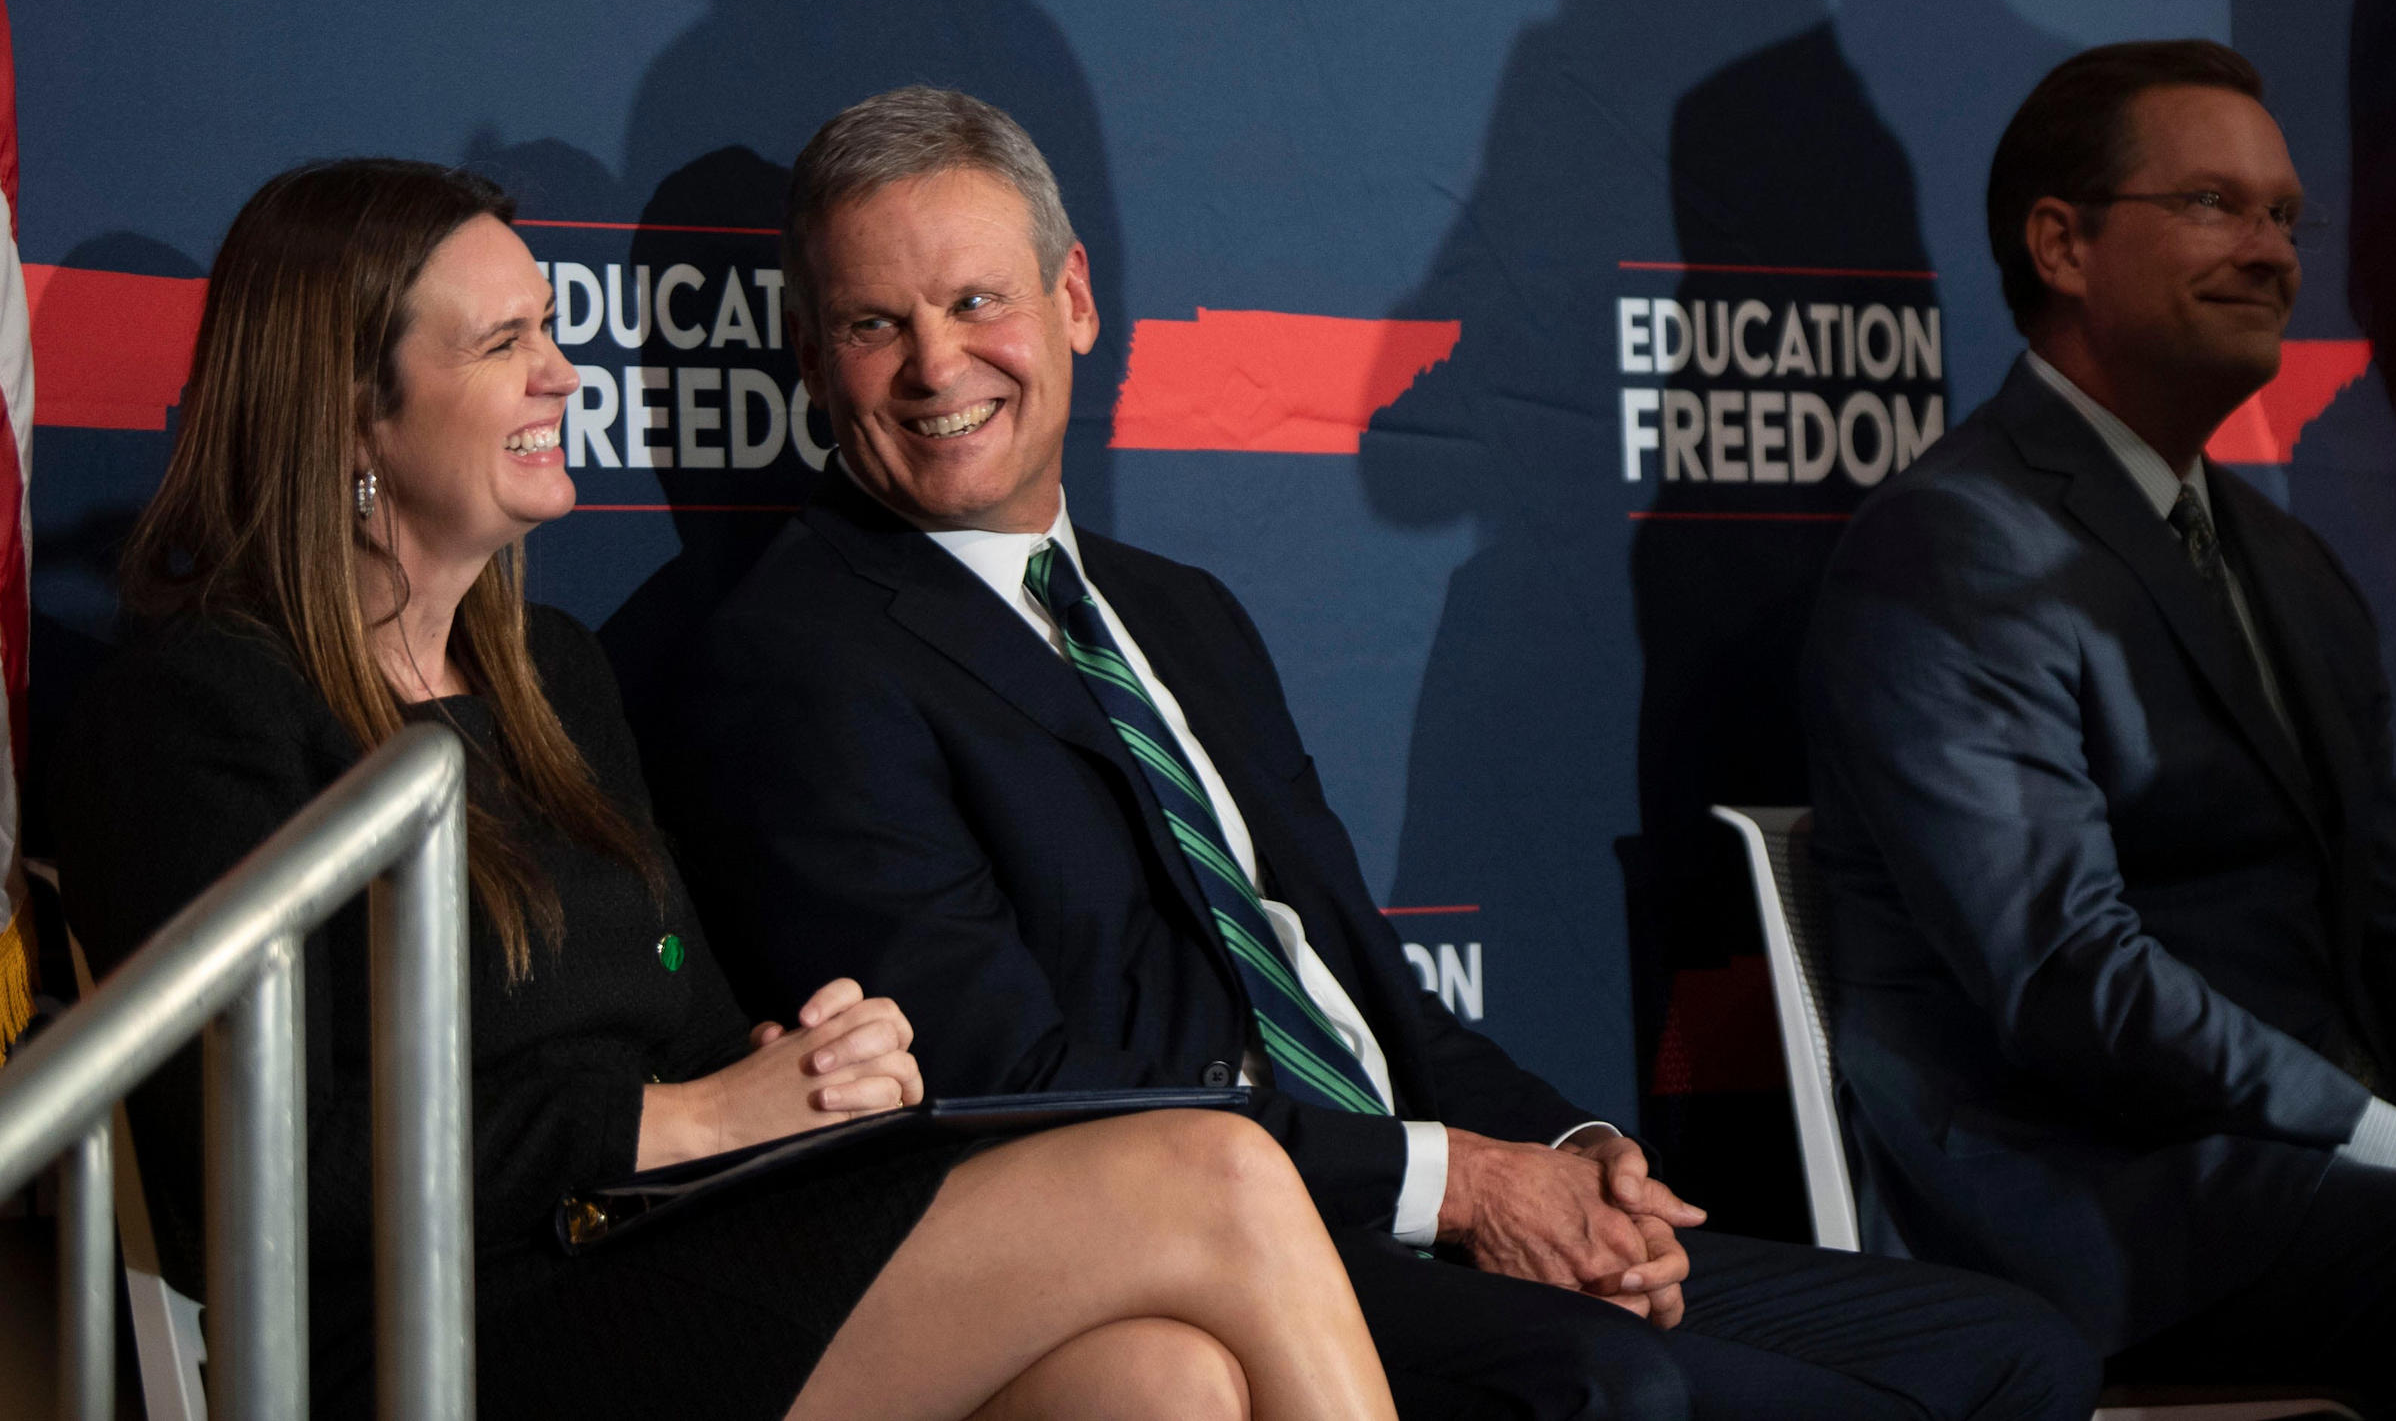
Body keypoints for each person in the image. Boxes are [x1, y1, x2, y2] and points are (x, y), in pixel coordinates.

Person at [646, 86, 2095, 1421]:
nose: (934, 364)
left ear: (1073, 300)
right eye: (872, 325)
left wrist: (1584, 1167)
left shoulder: (1180, 616)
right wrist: (1458, 1190)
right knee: (1619, 1393)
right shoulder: (799, 655)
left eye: (975, 301)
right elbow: (1011, 1086)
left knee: (2010, 1352)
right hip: (1221, 1263)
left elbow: (1366, 1002)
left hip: (1415, 1204)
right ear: (812, 363)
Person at [46, 158, 1398, 1421]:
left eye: (550, 330)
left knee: (1159, 1385)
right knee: (1214, 1171)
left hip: (663, 1249)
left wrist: (791, 1071)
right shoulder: (201, 710)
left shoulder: (551, 675)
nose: (564, 374)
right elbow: (249, 1175)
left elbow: (682, 1028)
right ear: (347, 405)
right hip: (439, 1335)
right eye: (505, 343)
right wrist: (674, 1120)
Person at [1803, 39, 2396, 1421]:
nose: (2271, 250)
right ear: (2061, 243)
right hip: (2097, 1196)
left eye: (2286, 216)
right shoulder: (1952, 549)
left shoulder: (2289, 567)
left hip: (2337, 1166)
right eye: (2214, 206)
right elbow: (2066, 976)